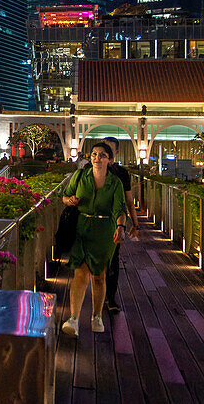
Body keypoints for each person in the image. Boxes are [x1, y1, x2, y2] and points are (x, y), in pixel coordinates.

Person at [60, 141, 126, 337]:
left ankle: (97, 316)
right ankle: (74, 319)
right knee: (80, 273)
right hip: (81, 228)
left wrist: (121, 227)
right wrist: (70, 201)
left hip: (104, 231)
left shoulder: (115, 183)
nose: (97, 158)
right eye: (94, 154)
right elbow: (65, 196)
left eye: (102, 155)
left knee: (99, 276)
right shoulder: (80, 176)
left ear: (110, 160)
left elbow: (119, 210)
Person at [103, 137, 141, 314]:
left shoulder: (121, 173)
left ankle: (110, 297)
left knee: (112, 260)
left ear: (116, 152)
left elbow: (128, 200)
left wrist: (135, 222)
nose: (105, 154)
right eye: (103, 149)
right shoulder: (89, 170)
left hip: (115, 222)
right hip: (93, 222)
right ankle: (100, 296)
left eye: (109, 150)